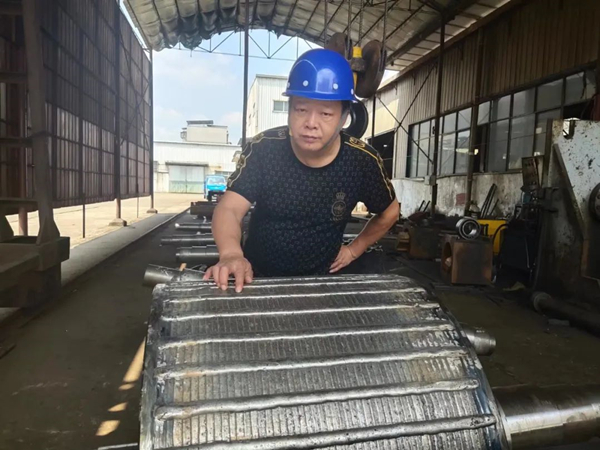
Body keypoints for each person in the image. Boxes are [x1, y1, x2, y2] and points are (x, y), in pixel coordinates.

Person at [204, 48, 399, 292]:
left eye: (326, 113)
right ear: (289, 109)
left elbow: (390, 212)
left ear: (344, 118)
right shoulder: (265, 149)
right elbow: (230, 208)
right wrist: (231, 254)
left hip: (322, 284)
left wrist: (353, 250)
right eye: (301, 109)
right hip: (256, 279)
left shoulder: (361, 161)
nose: (310, 123)